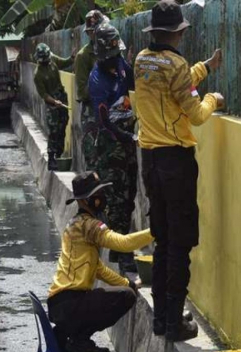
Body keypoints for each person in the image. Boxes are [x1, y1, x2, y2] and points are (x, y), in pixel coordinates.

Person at [134, 0, 225, 342]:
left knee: (162, 240)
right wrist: (213, 98)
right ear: (178, 33)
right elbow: (196, 113)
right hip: (176, 162)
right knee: (180, 243)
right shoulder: (176, 65)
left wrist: (205, 67)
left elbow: (176, 82)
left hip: (150, 161)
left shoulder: (142, 61)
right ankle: (175, 323)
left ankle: (161, 319)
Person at [47, 171, 153, 352]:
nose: (102, 199)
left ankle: (65, 334)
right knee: (126, 297)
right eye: (98, 195)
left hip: (59, 305)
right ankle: (79, 339)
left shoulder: (76, 224)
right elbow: (124, 243)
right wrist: (156, 231)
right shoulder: (89, 226)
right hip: (70, 303)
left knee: (126, 290)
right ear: (86, 200)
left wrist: (127, 283)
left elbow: (99, 269)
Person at [85, 23, 139, 274]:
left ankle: (120, 248)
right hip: (110, 145)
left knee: (130, 196)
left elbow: (135, 84)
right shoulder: (97, 81)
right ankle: (123, 253)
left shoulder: (121, 67)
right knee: (116, 200)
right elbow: (104, 122)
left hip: (127, 140)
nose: (115, 60)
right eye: (112, 57)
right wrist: (126, 137)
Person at [33, 43, 75, 171]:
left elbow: (64, 63)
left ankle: (59, 154)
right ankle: (51, 158)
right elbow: (43, 94)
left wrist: (72, 57)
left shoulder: (53, 59)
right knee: (53, 129)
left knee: (63, 125)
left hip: (61, 97)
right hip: (51, 103)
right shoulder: (38, 74)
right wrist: (54, 101)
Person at [75, 10, 107, 136]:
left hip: (111, 110)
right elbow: (82, 91)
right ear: (90, 33)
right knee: (92, 152)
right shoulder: (83, 56)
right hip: (92, 112)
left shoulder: (112, 50)